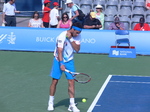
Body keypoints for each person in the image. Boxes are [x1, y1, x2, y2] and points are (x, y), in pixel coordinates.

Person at [47, 22, 82, 112]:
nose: (78, 34)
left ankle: (72, 105)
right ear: (72, 29)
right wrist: (61, 63)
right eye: (77, 32)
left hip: (70, 61)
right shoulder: (62, 35)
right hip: (58, 60)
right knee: (55, 81)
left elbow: (77, 49)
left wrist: (70, 39)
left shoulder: (77, 36)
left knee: (71, 82)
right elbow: (60, 51)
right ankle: (50, 102)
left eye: (79, 32)